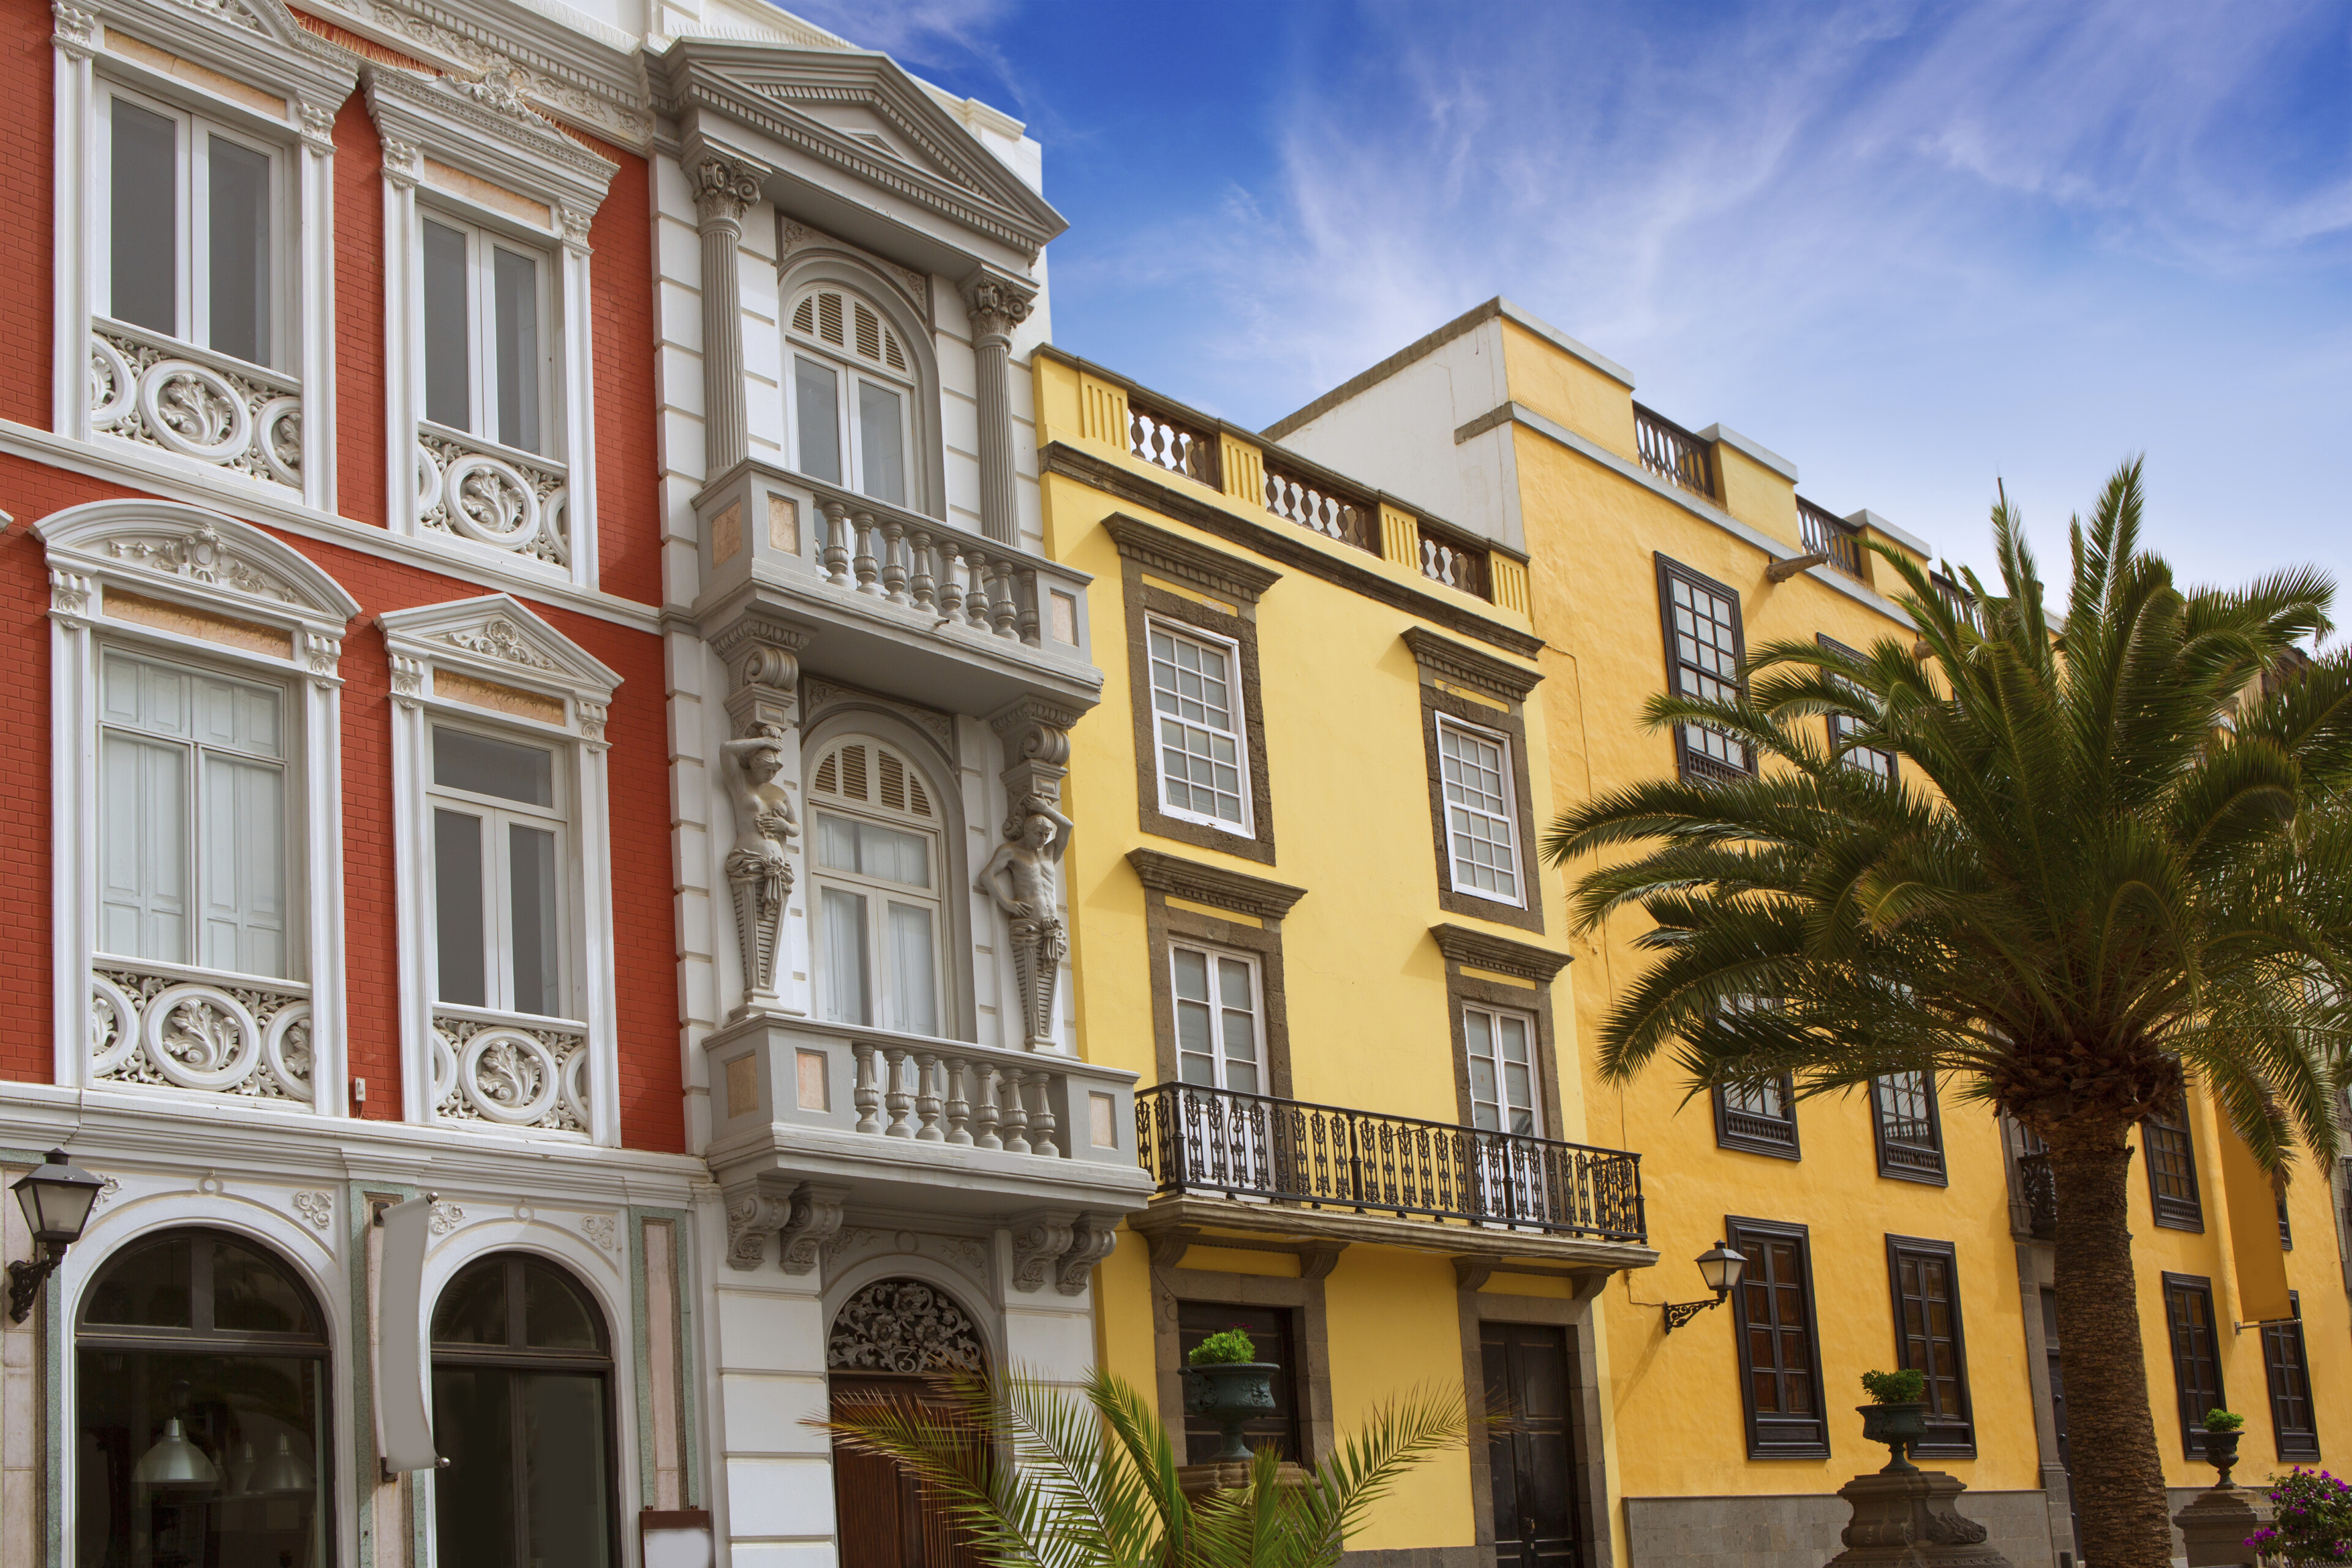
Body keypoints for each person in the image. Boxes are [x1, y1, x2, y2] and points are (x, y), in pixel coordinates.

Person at [974, 793, 1074, 1047]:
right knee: (1032, 990)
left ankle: (1041, 1039)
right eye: (1039, 834)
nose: (1043, 839)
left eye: (1046, 835)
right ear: (1027, 832)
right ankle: (1036, 1038)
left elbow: (1068, 826)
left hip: (1051, 930)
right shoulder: (1011, 851)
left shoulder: (1050, 853)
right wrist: (1007, 903)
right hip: (1028, 926)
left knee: (1046, 988)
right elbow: (987, 876)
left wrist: (1044, 809)